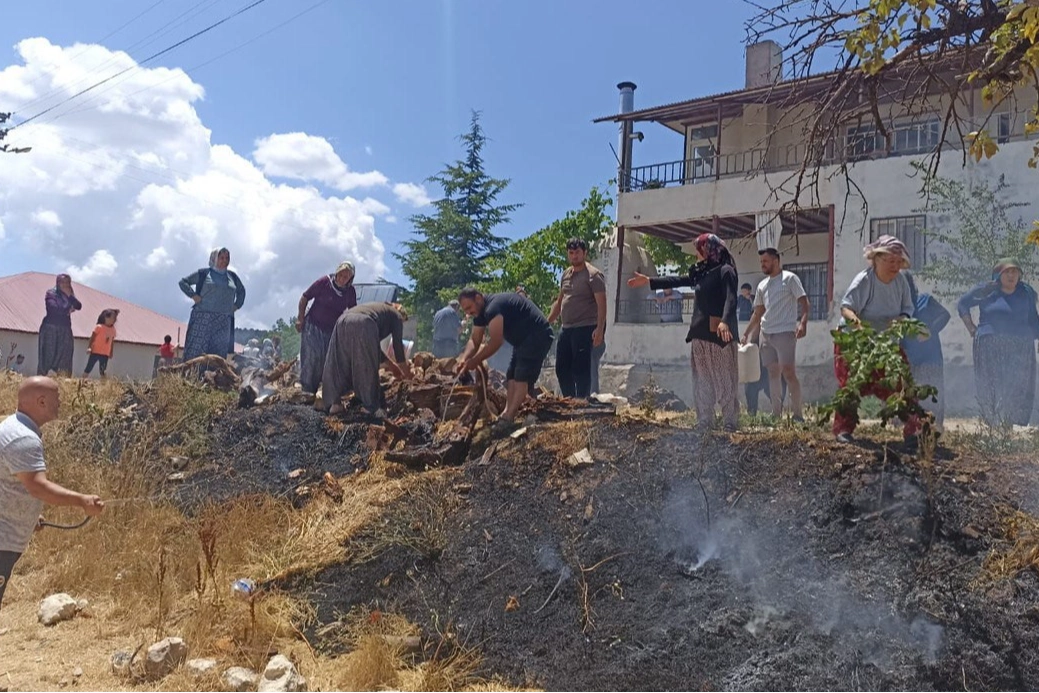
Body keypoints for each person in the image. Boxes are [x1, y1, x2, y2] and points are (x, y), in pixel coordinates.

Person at [0, 377, 104, 609]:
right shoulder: (23, 438)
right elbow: (38, 486)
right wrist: (82, 500)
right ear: (41, 401)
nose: (61, 401)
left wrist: (28, 517)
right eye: (56, 397)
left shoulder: (13, 427)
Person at [629, 233, 740, 431]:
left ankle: (730, 421)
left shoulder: (726, 271)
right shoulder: (702, 273)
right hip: (700, 332)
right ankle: (705, 420)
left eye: (699, 249)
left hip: (719, 335)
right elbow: (678, 280)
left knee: (724, 378)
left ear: (708, 250)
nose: (696, 254)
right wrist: (649, 281)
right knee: (702, 379)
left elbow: (731, 298)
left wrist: (725, 321)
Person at [833, 235, 918, 444]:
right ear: (877, 259)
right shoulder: (865, 280)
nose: (895, 266)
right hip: (855, 340)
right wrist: (860, 328)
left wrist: (900, 320)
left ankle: (913, 432)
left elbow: (907, 310)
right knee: (852, 384)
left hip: (886, 342)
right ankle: (843, 430)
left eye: (898, 261)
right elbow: (846, 308)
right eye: (890, 261)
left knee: (902, 382)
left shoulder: (901, 282)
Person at [457, 288, 554, 435]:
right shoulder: (480, 314)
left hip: (537, 335)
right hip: (521, 341)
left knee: (521, 378)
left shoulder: (493, 307)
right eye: (465, 310)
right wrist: (464, 359)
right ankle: (506, 413)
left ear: (478, 298)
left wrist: (476, 360)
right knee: (511, 377)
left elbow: (496, 342)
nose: (469, 313)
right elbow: (475, 340)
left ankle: (509, 417)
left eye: (469, 307)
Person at [957, 258, 1039, 427]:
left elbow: (1033, 319)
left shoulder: (1026, 293)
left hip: (1021, 347)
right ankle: (993, 424)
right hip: (990, 346)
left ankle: (1010, 424)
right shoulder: (986, 290)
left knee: (1019, 385)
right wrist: (971, 327)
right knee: (993, 385)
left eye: (1014, 271)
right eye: (1007, 272)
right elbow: (963, 304)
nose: (1011, 275)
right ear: (998, 275)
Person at [741, 249, 809, 420]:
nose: (762, 264)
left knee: (788, 372)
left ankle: (797, 414)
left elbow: (804, 302)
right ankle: (776, 414)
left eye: (765, 261)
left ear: (776, 261)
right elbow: (758, 312)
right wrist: (746, 333)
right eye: (761, 262)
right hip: (766, 334)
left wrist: (803, 323)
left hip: (785, 333)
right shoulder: (762, 285)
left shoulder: (790, 279)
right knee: (773, 373)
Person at [321, 303, 412, 416]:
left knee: (340, 362)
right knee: (368, 367)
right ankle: (370, 407)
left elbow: (374, 348)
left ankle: (335, 404)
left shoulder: (379, 310)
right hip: (364, 323)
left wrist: (392, 365)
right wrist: (407, 375)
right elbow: (398, 347)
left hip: (342, 321)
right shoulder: (397, 316)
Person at [547, 238, 607, 399]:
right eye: (571, 253)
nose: (574, 256)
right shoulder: (566, 274)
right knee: (561, 367)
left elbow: (602, 305)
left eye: (578, 252)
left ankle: (581, 402)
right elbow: (560, 302)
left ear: (584, 253)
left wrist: (600, 329)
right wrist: (546, 323)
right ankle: (569, 400)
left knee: (581, 369)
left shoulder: (593, 275)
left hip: (586, 326)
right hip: (567, 328)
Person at [296, 262, 358, 395]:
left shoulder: (350, 292)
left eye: (346, 277)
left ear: (350, 279)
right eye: (341, 275)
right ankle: (306, 389)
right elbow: (305, 297)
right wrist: (300, 318)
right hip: (313, 326)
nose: (342, 278)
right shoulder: (324, 282)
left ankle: (322, 390)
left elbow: (353, 311)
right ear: (337, 273)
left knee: (326, 359)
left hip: (331, 329)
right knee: (312, 356)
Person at [902, 272, 951, 431]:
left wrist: (930, 330)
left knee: (933, 395)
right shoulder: (898, 310)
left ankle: (935, 430)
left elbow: (944, 315)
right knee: (912, 398)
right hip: (910, 361)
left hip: (931, 359)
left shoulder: (925, 300)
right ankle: (914, 430)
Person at [179, 248, 246, 361]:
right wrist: (193, 295)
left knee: (217, 355)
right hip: (203, 318)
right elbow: (183, 282)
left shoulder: (232, 277)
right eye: (221, 258)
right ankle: (193, 372)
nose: (225, 261)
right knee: (197, 351)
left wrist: (236, 306)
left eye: (227, 258)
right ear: (214, 259)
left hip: (223, 320)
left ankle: (213, 373)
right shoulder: (204, 273)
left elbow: (241, 291)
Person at [37, 274, 82, 376]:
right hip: (50, 328)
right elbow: (54, 309)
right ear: (58, 283)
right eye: (62, 282)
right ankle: (43, 379)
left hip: (65, 328)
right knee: (48, 355)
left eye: (67, 282)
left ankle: (61, 378)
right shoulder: (51, 294)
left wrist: (70, 297)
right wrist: (68, 309)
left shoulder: (70, 296)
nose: (65, 285)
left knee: (64, 356)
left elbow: (78, 306)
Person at [82, 309, 119, 379]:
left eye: (114, 318)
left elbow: (112, 341)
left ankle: (103, 384)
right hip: (95, 351)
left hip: (105, 353)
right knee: (89, 367)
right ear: (106, 317)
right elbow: (92, 337)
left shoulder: (113, 330)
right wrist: (89, 347)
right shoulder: (99, 327)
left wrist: (111, 352)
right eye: (112, 318)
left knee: (103, 370)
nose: (113, 320)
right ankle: (82, 380)